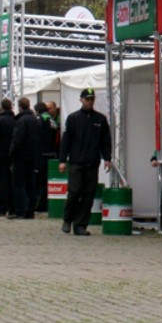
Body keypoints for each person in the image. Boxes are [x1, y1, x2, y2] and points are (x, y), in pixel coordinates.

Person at [60, 88, 111, 236]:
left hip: (92, 162)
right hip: (76, 162)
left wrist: (107, 158)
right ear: (81, 100)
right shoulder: (73, 118)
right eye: (87, 99)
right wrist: (62, 160)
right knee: (74, 191)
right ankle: (67, 219)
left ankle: (80, 225)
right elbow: (66, 141)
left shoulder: (100, 120)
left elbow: (105, 141)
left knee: (89, 194)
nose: (90, 101)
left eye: (92, 99)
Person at [8, 97, 39, 218]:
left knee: (18, 184)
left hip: (21, 157)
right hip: (32, 156)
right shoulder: (35, 120)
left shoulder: (21, 121)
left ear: (19, 107)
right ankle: (30, 209)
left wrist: (12, 153)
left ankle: (20, 210)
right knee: (31, 184)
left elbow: (17, 140)